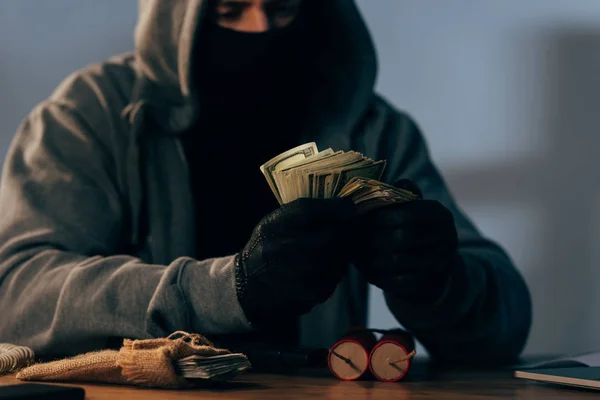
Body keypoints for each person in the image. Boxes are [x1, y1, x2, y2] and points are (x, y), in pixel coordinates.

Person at [0, 0, 531, 365]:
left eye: (282, 8)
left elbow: (507, 323)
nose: (259, 30)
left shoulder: (371, 128)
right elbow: (17, 296)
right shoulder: (88, 115)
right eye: (228, 9)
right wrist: (230, 288)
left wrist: (443, 284)